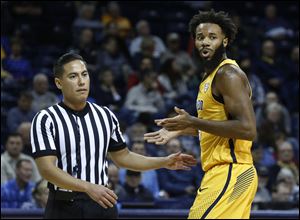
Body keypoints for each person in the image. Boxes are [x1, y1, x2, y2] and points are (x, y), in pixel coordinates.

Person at [30, 52, 196, 219]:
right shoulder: (46, 118)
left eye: (84, 74)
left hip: (102, 203)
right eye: (73, 76)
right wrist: (88, 187)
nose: (81, 82)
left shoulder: (105, 115)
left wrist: (164, 161)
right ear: (59, 83)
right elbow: (47, 169)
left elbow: (123, 157)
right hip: (63, 205)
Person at [144, 10, 258, 219]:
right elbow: (218, 125)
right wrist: (181, 129)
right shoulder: (209, 77)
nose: (205, 42)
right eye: (200, 37)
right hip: (220, 173)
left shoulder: (228, 74)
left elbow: (248, 129)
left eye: (212, 37)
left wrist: (192, 120)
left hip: (232, 171)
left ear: (225, 41)